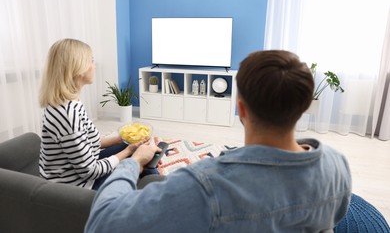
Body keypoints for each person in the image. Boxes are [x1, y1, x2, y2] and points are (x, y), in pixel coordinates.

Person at [85, 50, 352, 232]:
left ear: (242, 109)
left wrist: (131, 164)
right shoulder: (336, 165)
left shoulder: (204, 185)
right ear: (304, 105)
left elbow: (103, 223)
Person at [38, 38, 160, 190]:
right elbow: (90, 171)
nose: (94, 66)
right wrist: (133, 156)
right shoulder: (67, 114)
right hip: (77, 187)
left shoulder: (71, 102)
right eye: (91, 61)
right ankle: (161, 192)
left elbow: (91, 143)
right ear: (78, 68)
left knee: (137, 149)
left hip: (84, 170)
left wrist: (130, 142)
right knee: (137, 157)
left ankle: (157, 184)